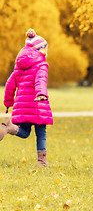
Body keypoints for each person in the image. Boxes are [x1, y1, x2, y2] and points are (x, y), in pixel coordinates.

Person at [1, 28, 53, 166]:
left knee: (24, 132)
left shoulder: (18, 67)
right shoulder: (41, 65)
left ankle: (8, 127)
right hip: (37, 104)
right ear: (41, 50)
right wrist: (41, 94)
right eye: (45, 49)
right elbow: (40, 80)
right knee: (41, 133)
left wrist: (8, 103)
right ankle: (42, 161)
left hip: (22, 106)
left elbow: (9, 85)